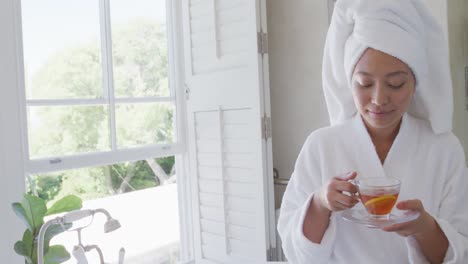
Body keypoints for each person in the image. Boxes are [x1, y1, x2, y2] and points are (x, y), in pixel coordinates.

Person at [277, 0, 468, 263]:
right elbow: (296, 251)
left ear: (416, 83)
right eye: (365, 83)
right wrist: (321, 203)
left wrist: (424, 227)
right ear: (349, 81)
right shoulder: (321, 146)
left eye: (396, 83)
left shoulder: (444, 149)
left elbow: (462, 250)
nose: (379, 99)